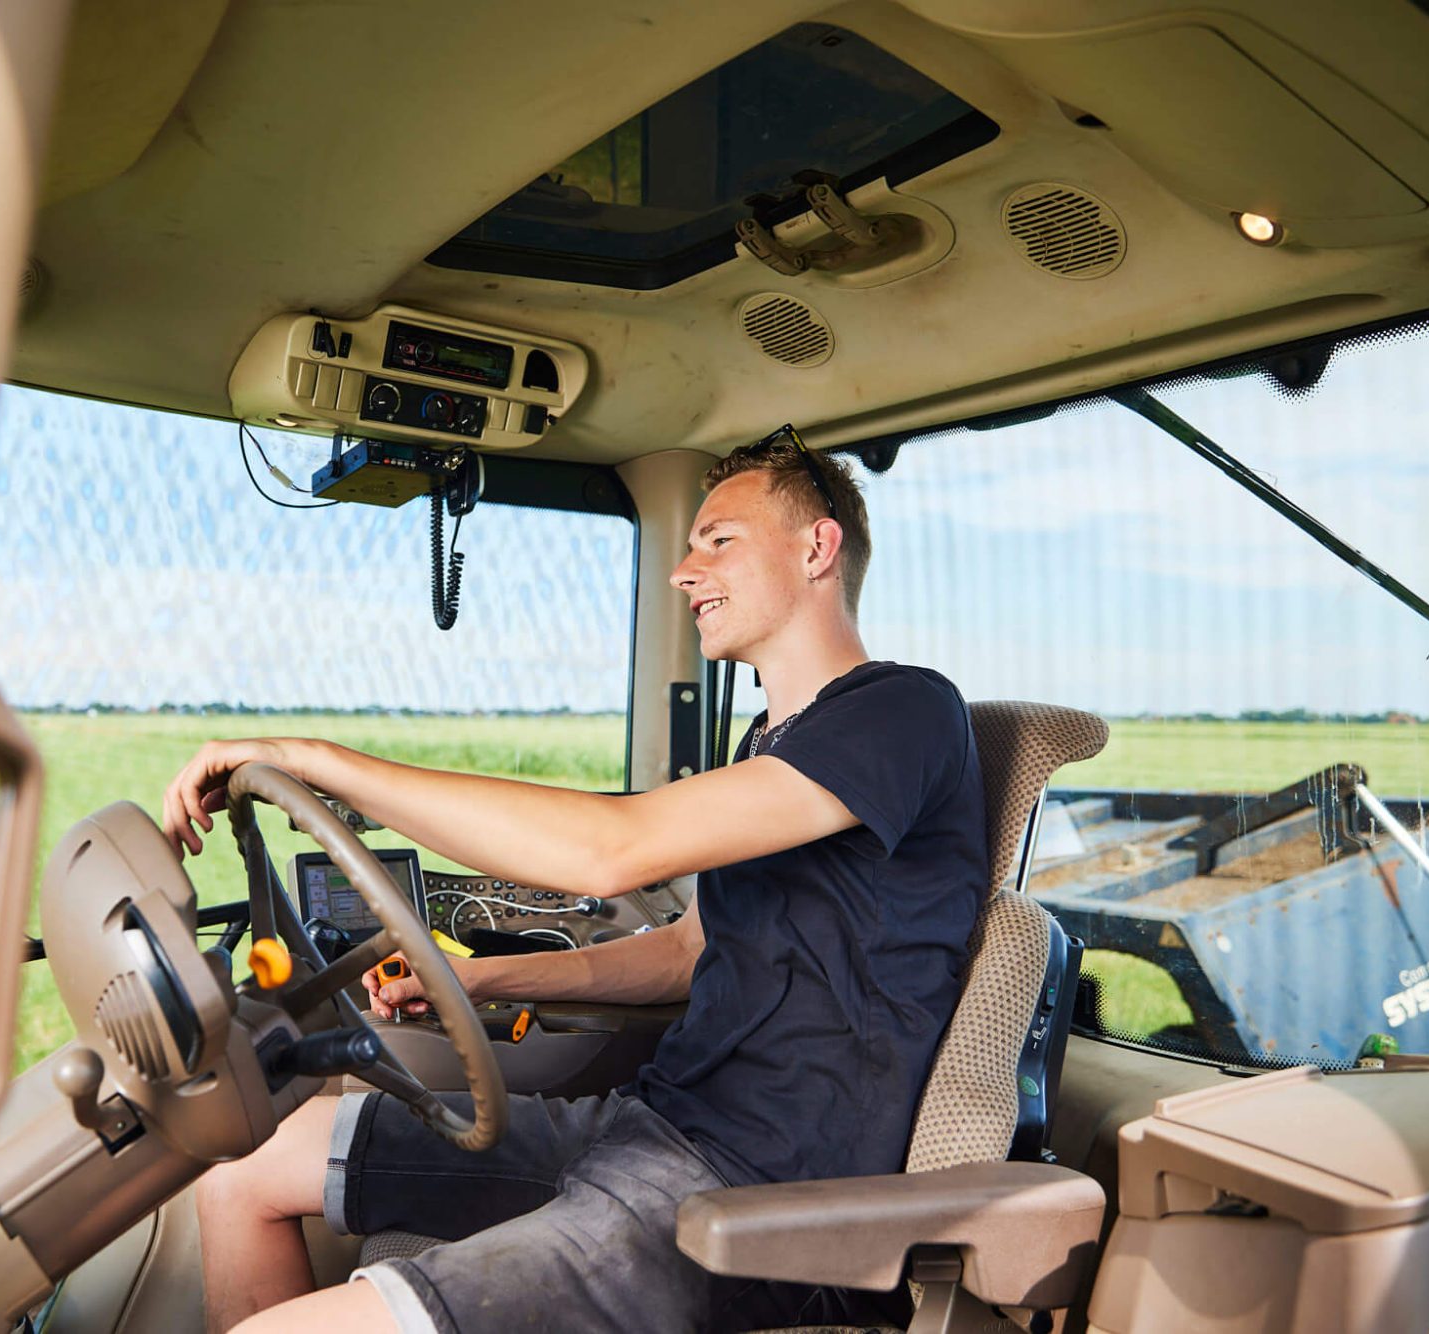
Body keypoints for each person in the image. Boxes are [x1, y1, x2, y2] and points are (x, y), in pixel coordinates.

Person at [162, 436, 988, 1334]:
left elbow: (616, 850)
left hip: (754, 1204)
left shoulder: (904, 709)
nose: (683, 571)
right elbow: (688, 951)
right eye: (688, 546)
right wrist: (477, 979)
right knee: (242, 1167)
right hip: (649, 1128)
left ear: (817, 548)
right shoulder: (765, 748)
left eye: (719, 542)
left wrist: (316, 760)